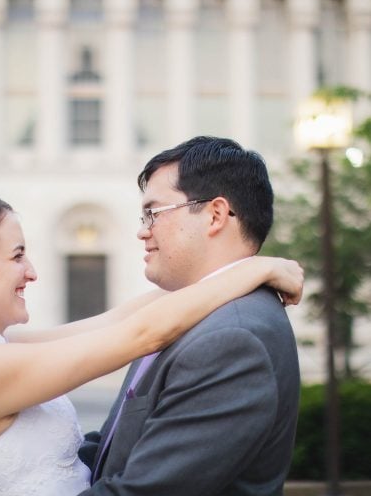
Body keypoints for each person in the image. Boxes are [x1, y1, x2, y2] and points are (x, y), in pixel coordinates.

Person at [0, 189, 303, 496]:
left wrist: (225, 271)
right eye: (16, 256)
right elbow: (142, 334)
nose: (31, 271)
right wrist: (261, 268)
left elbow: (120, 319)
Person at [79, 136, 301, 496]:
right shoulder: (185, 313)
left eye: (153, 212)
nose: (142, 230)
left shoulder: (231, 339)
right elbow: (111, 445)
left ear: (215, 215)